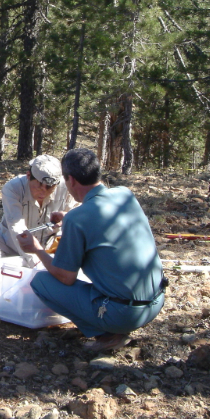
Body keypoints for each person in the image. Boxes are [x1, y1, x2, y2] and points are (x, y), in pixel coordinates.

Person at [18, 148, 166, 352]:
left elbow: (65, 277)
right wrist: (70, 217)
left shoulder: (77, 219)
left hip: (123, 314)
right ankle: (109, 324)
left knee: (41, 282)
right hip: (156, 302)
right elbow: (102, 217)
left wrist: (37, 249)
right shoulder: (125, 194)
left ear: (71, 180)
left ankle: (105, 335)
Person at [0, 154, 76, 268]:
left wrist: (67, 217)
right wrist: (35, 261)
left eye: (49, 188)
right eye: (39, 186)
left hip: (51, 246)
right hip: (14, 245)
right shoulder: (13, 188)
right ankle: (29, 270)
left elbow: (80, 217)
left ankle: (33, 269)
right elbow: (17, 227)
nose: (43, 193)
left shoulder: (66, 188)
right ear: (28, 175)